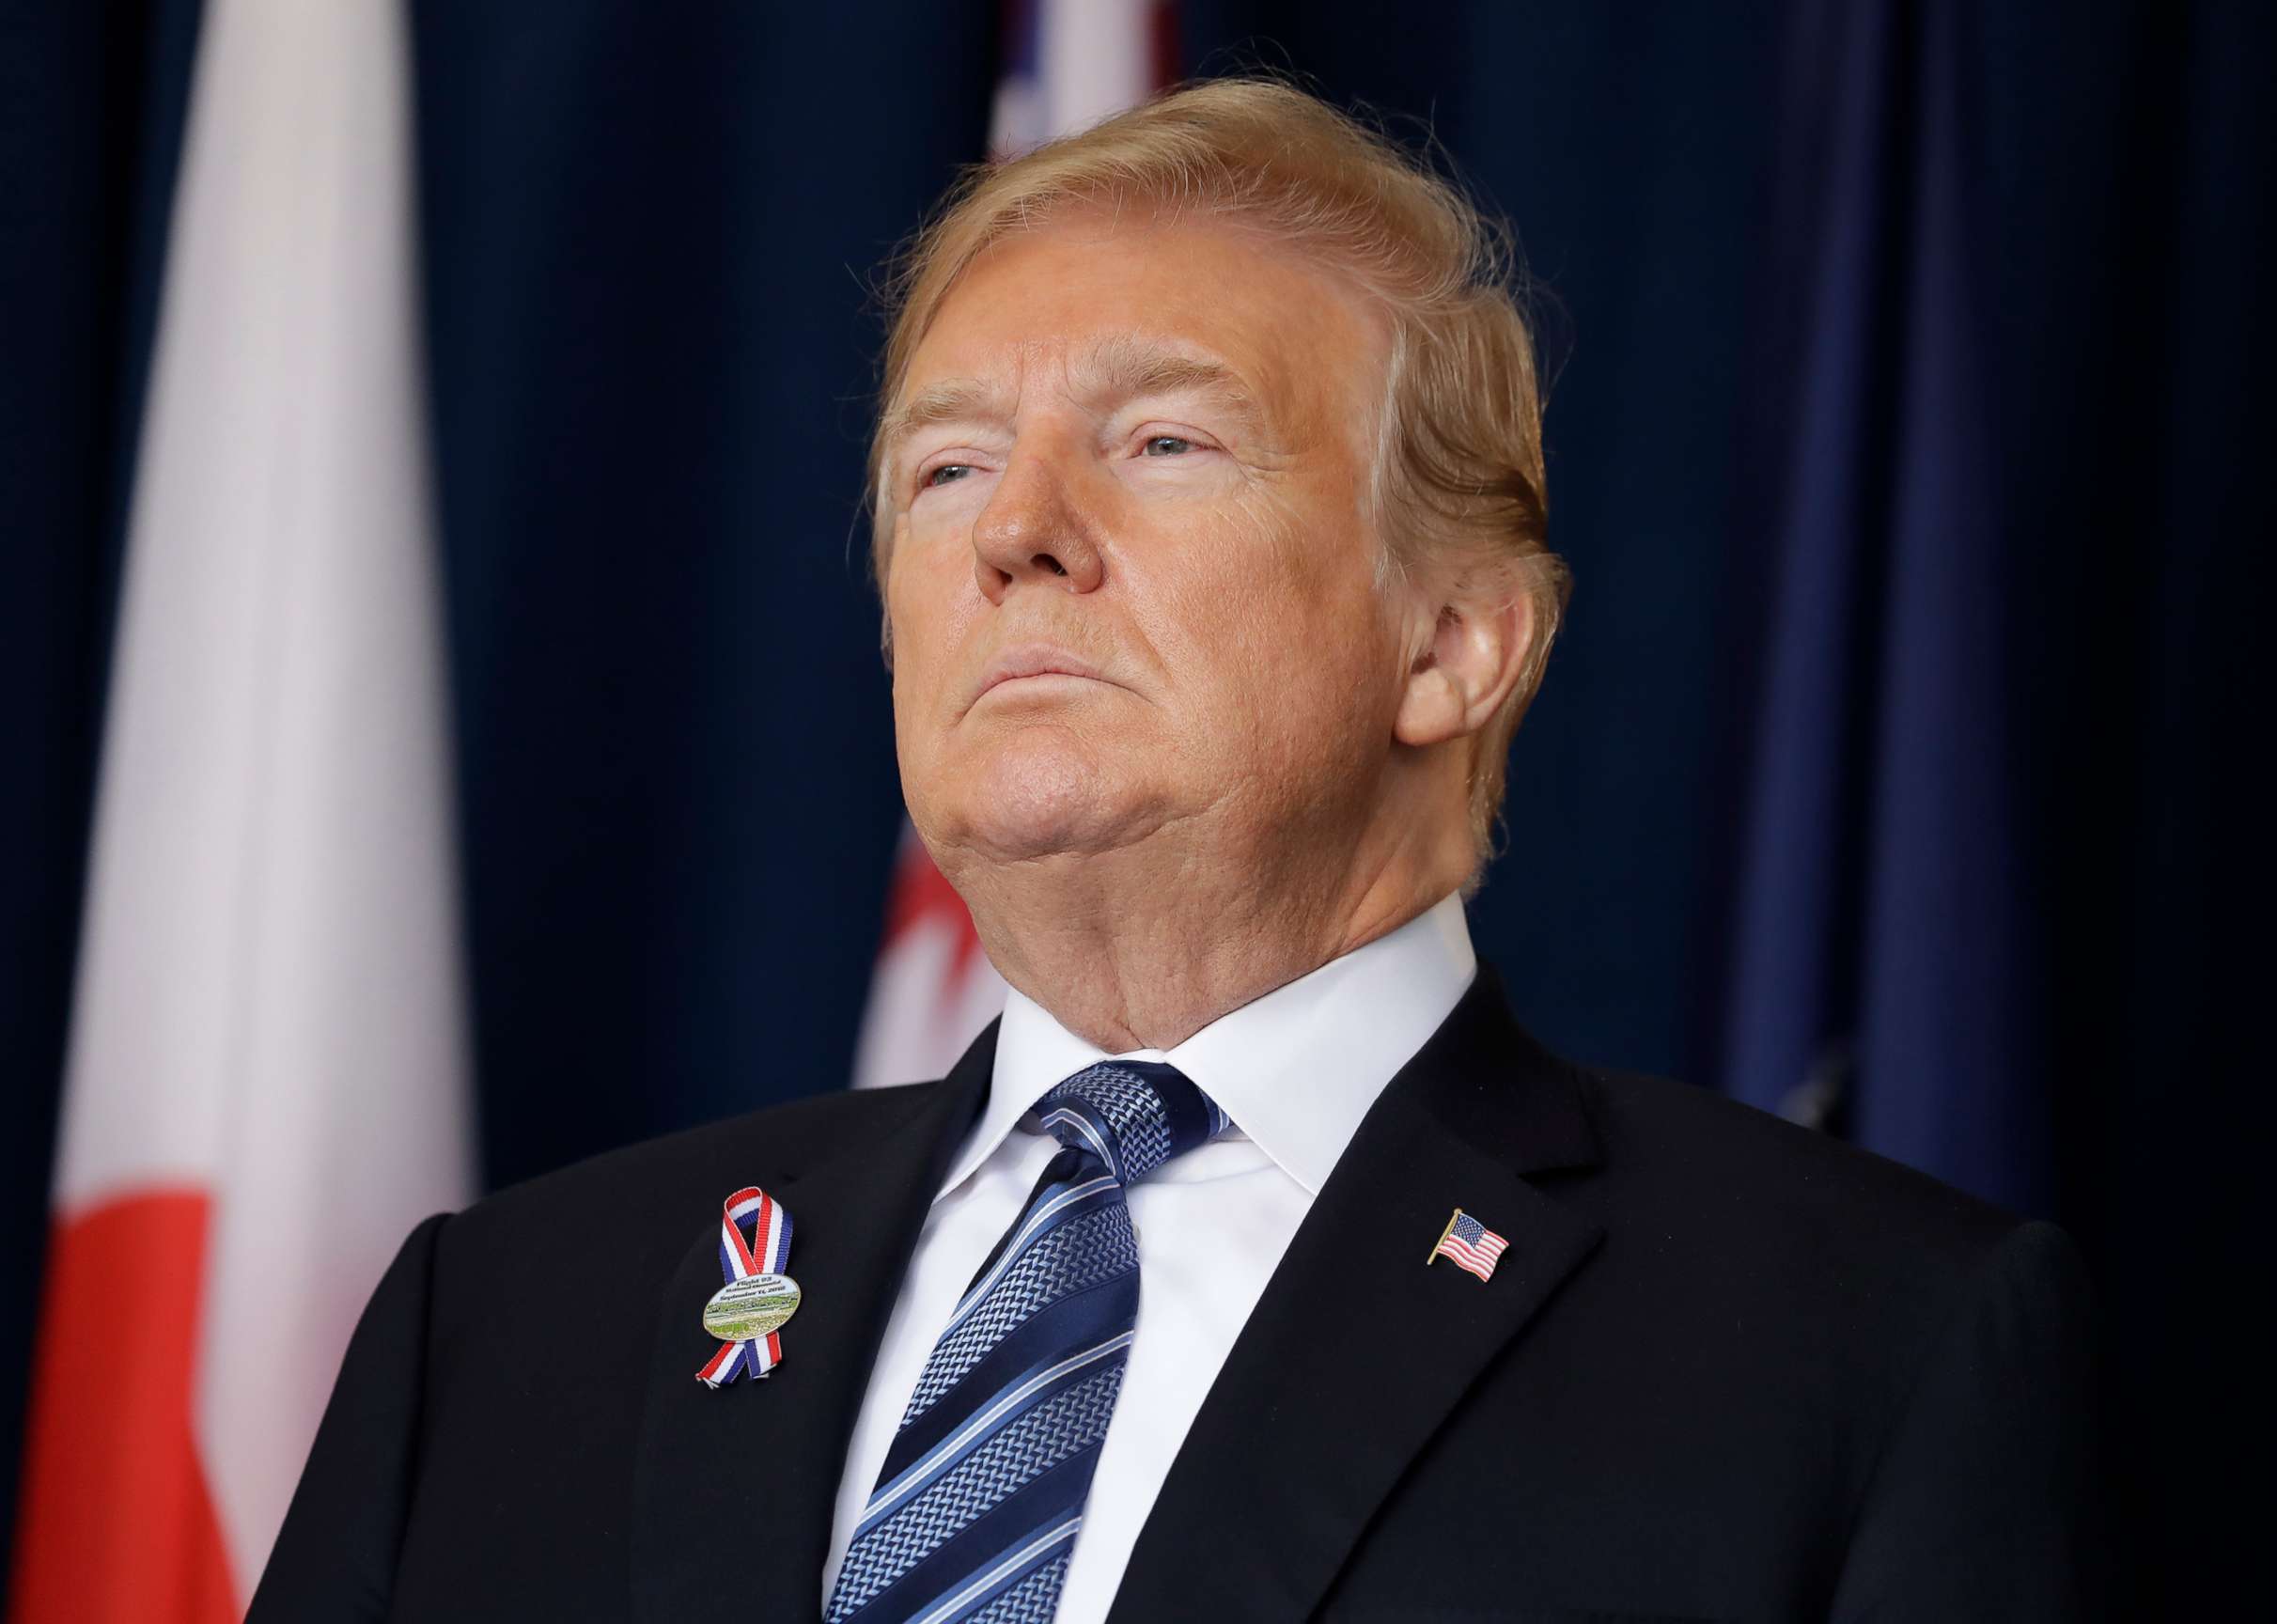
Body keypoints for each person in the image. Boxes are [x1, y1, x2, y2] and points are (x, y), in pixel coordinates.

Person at [253, 79, 2097, 1624]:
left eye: (1163, 439)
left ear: (1453, 642)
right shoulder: (504, 1329)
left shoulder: (1862, 1352)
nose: (1019, 536)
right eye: (948, 467)